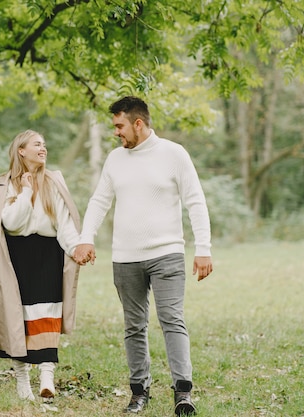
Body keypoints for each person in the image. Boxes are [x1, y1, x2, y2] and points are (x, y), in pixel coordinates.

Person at [74, 96, 213, 416]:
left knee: (172, 321)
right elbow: (99, 201)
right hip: (125, 258)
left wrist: (203, 248)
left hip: (167, 254)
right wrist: (86, 238)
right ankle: (139, 392)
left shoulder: (174, 154)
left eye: (119, 125)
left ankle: (183, 393)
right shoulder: (114, 159)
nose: (116, 132)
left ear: (138, 123)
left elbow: (196, 201)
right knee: (133, 326)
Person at [0, 129, 82, 401]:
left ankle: (47, 376)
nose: (43, 148)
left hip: (49, 253)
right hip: (16, 258)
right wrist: (24, 192)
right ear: (21, 150)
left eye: (44, 144)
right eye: (37, 144)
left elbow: (64, 224)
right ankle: (22, 381)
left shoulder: (54, 181)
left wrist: (77, 248)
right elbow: (11, 223)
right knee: (18, 318)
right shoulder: (4, 185)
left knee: (48, 313)